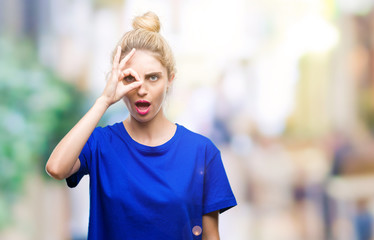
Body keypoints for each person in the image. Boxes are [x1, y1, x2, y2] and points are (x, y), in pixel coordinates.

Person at [46, 11, 237, 240]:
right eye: (130, 78)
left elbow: (211, 237)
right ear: (117, 81)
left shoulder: (202, 152)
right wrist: (103, 101)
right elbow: (56, 168)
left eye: (153, 77)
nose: (141, 89)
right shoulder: (100, 144)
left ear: (170, 80)